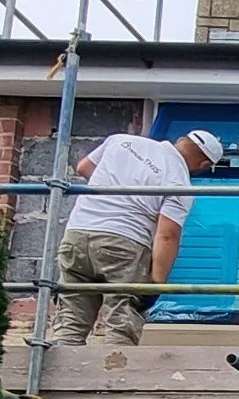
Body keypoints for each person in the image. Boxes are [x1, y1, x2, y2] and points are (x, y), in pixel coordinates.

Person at [51, 121, 225, 346]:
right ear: (203, 164)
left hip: (77, 235)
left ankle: (62, 377)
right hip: (124, 244)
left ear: (181, 140)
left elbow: (84, 168)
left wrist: (115, 194)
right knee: (121, 323)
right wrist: (156, 284)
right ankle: (113, 379)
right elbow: (167, 235)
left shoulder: (121, 140)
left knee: (71, 323)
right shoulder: (179, 181)